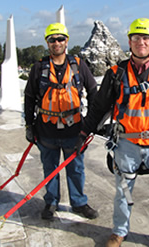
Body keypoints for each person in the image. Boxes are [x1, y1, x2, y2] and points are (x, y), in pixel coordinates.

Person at [74, 18, 149, 247]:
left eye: (146, 38)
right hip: (127, 144)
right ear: (130, 41)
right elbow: (98, 108)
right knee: (124, 192)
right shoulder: (116, 74)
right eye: (137, 38)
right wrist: (84, 132)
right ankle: (119, 231)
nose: (141, 42)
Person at [24, 23, 99, 220]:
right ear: (47, 43)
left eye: (60, 39)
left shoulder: (78, 65)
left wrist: (90, 124)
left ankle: (79, 203)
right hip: (46, 131)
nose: (56, 43)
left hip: (74, 130)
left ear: (66, 41)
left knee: (76, 169)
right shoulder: (39, 68)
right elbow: (29, 97)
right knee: (50, 169)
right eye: (52, 39)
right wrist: (29, 125)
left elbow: (93, 92)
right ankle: (51, 202)